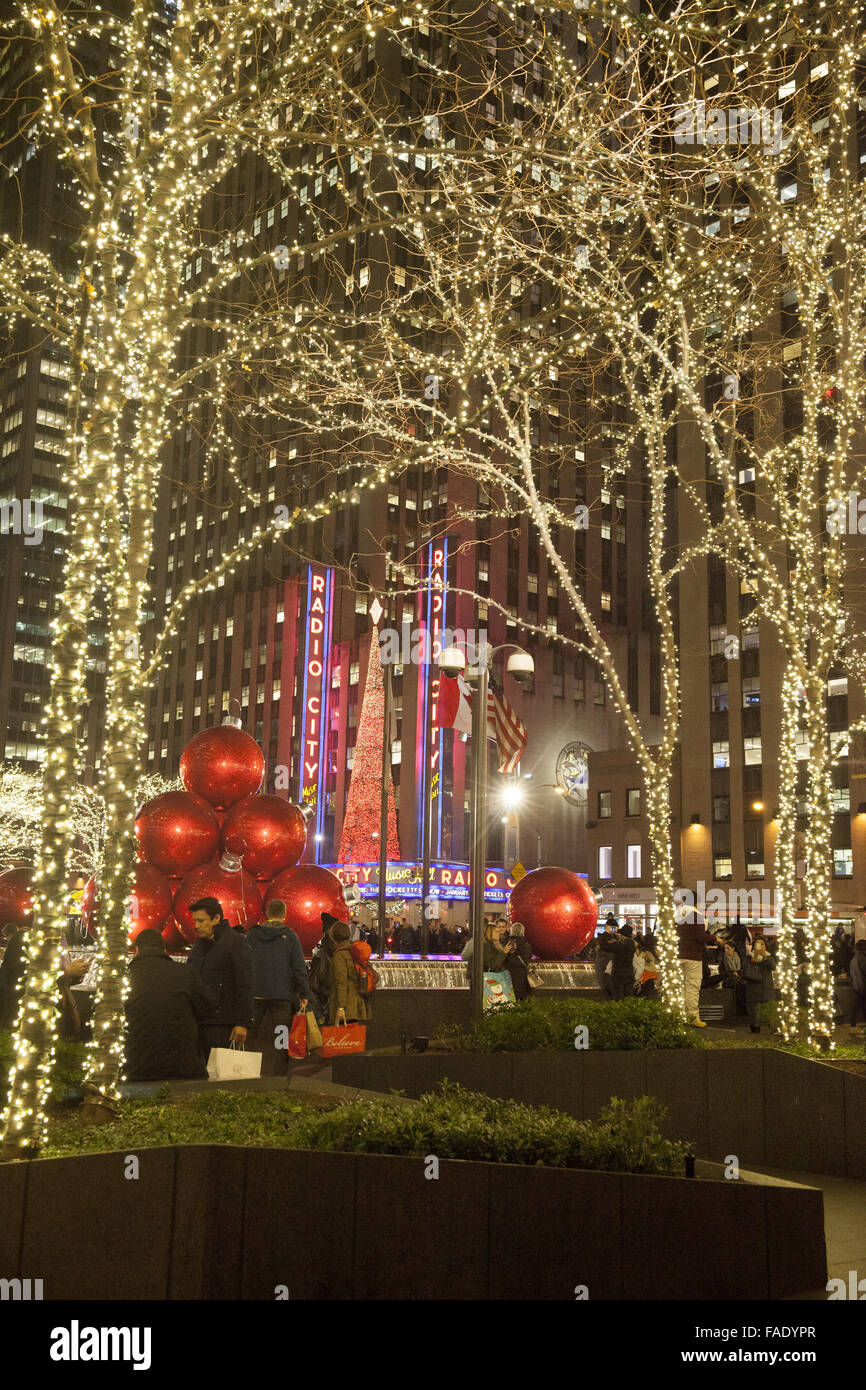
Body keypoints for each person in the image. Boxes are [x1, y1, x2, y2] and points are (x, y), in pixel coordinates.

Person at [125, 928, 218, 1081]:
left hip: (136, 1068)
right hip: (184, 1067)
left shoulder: (124, 977)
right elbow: (206, 1008)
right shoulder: (185, 973)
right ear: (164, 950)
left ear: (137, 950)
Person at [247, 899, 310, 1076]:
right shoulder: (290, 936)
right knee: (280, 1038)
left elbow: (244, 962)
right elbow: (299, 968)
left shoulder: (252, 935)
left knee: (251, 1034)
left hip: (256, 995)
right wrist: (304, 993)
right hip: (282, 997)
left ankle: (245, 1072)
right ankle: (279, 1075)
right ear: (284, 914)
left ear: (267, 913)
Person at [186, 896, 254, 1055]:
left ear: (216, 918)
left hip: (225, 1025)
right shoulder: (199, 945)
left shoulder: (236, 942)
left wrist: (242, 1023)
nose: (197, 926)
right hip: (199, 1022)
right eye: (195, 921)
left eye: (201, 921)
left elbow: (245, 983)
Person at [677, 911, 718, 1028]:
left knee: (680, 988)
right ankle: (693, 1018)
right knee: (693, 988)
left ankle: (680, 1016)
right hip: (693, 957)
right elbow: (700, 936)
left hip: (677, 956)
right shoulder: (696, 916)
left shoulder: (678, 915)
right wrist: (714, 938)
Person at [328, 919, 368, 1026]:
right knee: (354, 1039)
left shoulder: (340, 954)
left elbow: (341, 981)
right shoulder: (354, 951)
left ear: (334, 936)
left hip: (345, 1005)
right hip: (356, 1003)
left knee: (342, 1039)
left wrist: (341, 1007)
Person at [742, 935, 775, 1033]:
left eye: (762, 944)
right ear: (753, 946)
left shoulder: (768, 956)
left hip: (766, 988)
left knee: (770, 1011)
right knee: (755, 1014)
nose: (760, 946)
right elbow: (745, 969)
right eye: (758, 944)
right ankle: (755, 1031)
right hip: (754, 988)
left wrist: (764, 957)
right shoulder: (749, 956)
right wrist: (755, 957)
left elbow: (773, 967)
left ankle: (772, 1029)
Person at [599, 923, 637, 1001]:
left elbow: (603, 946)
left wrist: (606, 932)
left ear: (622, 935)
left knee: (618, 1000)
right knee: (628, 1000)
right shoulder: (632, 944)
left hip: (618, 976)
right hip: (629, 975)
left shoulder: (619, 945)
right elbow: (622, 946)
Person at [505, 922, 532, 1000]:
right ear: (522, 931)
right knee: (522, 996)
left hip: (510, 973)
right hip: (523, 974)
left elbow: (506, 957)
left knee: (512, 996)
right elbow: (528, 956)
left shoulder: (509, 942)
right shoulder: (526, 944)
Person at [848, 939, 866, 1035]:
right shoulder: (862, 959)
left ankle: (853, 1025)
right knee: (860, 1007)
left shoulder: (854, 959)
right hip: (863, 986)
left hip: (857, 986)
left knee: (857, 1007)